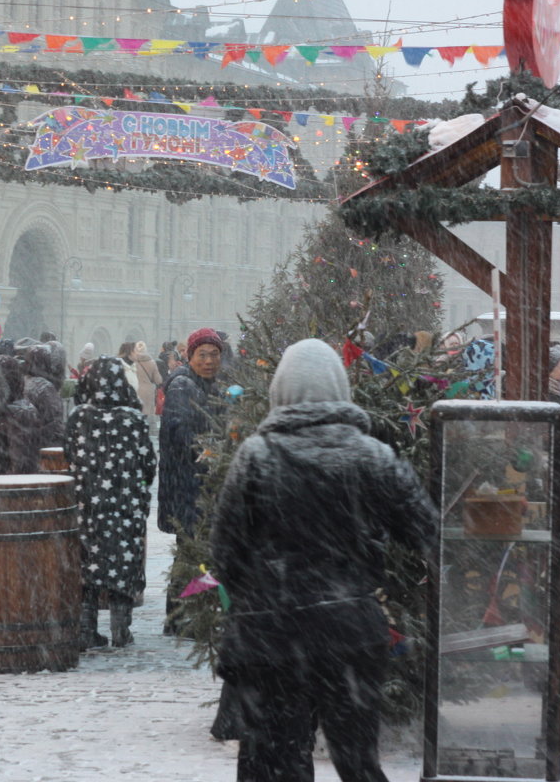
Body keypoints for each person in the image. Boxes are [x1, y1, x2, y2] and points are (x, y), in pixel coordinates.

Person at [211, 338, 437, 782]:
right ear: (341, 389)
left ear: (280, 390)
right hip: (349, 633)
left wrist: (261, 595)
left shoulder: (256, 457)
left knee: (274, 763)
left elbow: (226, 552)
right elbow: (425, 531)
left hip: (272, 637)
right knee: (357, 763)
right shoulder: (372, 456)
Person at [65, 356, 156, 649]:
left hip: (86, 505)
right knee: (123, 561)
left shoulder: (78, 417)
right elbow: (149, 464)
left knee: (88, 564)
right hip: (126, 506)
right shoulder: (134, 419)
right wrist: (137, 486)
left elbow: (68, 455)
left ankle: (85, 629)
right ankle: (121, 629)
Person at [158, 327, 224, 629]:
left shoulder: (208, 385)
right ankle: (181, 618)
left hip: (198, 483)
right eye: (202, 355)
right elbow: (181, 432)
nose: (209, 360)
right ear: (190, 356)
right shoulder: (184, 386)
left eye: (214, 355)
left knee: (194, 553)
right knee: (191, 553)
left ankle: (184, 616)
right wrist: (210, 451)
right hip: (187, 483)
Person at [22, 343, 65, 448]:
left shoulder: (23, 381)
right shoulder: (44, 388)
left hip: (25, 443)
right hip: (42, 447)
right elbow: (55, 423)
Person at [133, 341, 163, 420]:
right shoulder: (152, 362)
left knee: (136, 413)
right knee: (148, 415)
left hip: (135, 390)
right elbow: (158, 380)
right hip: (148, 392)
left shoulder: (133, 363)